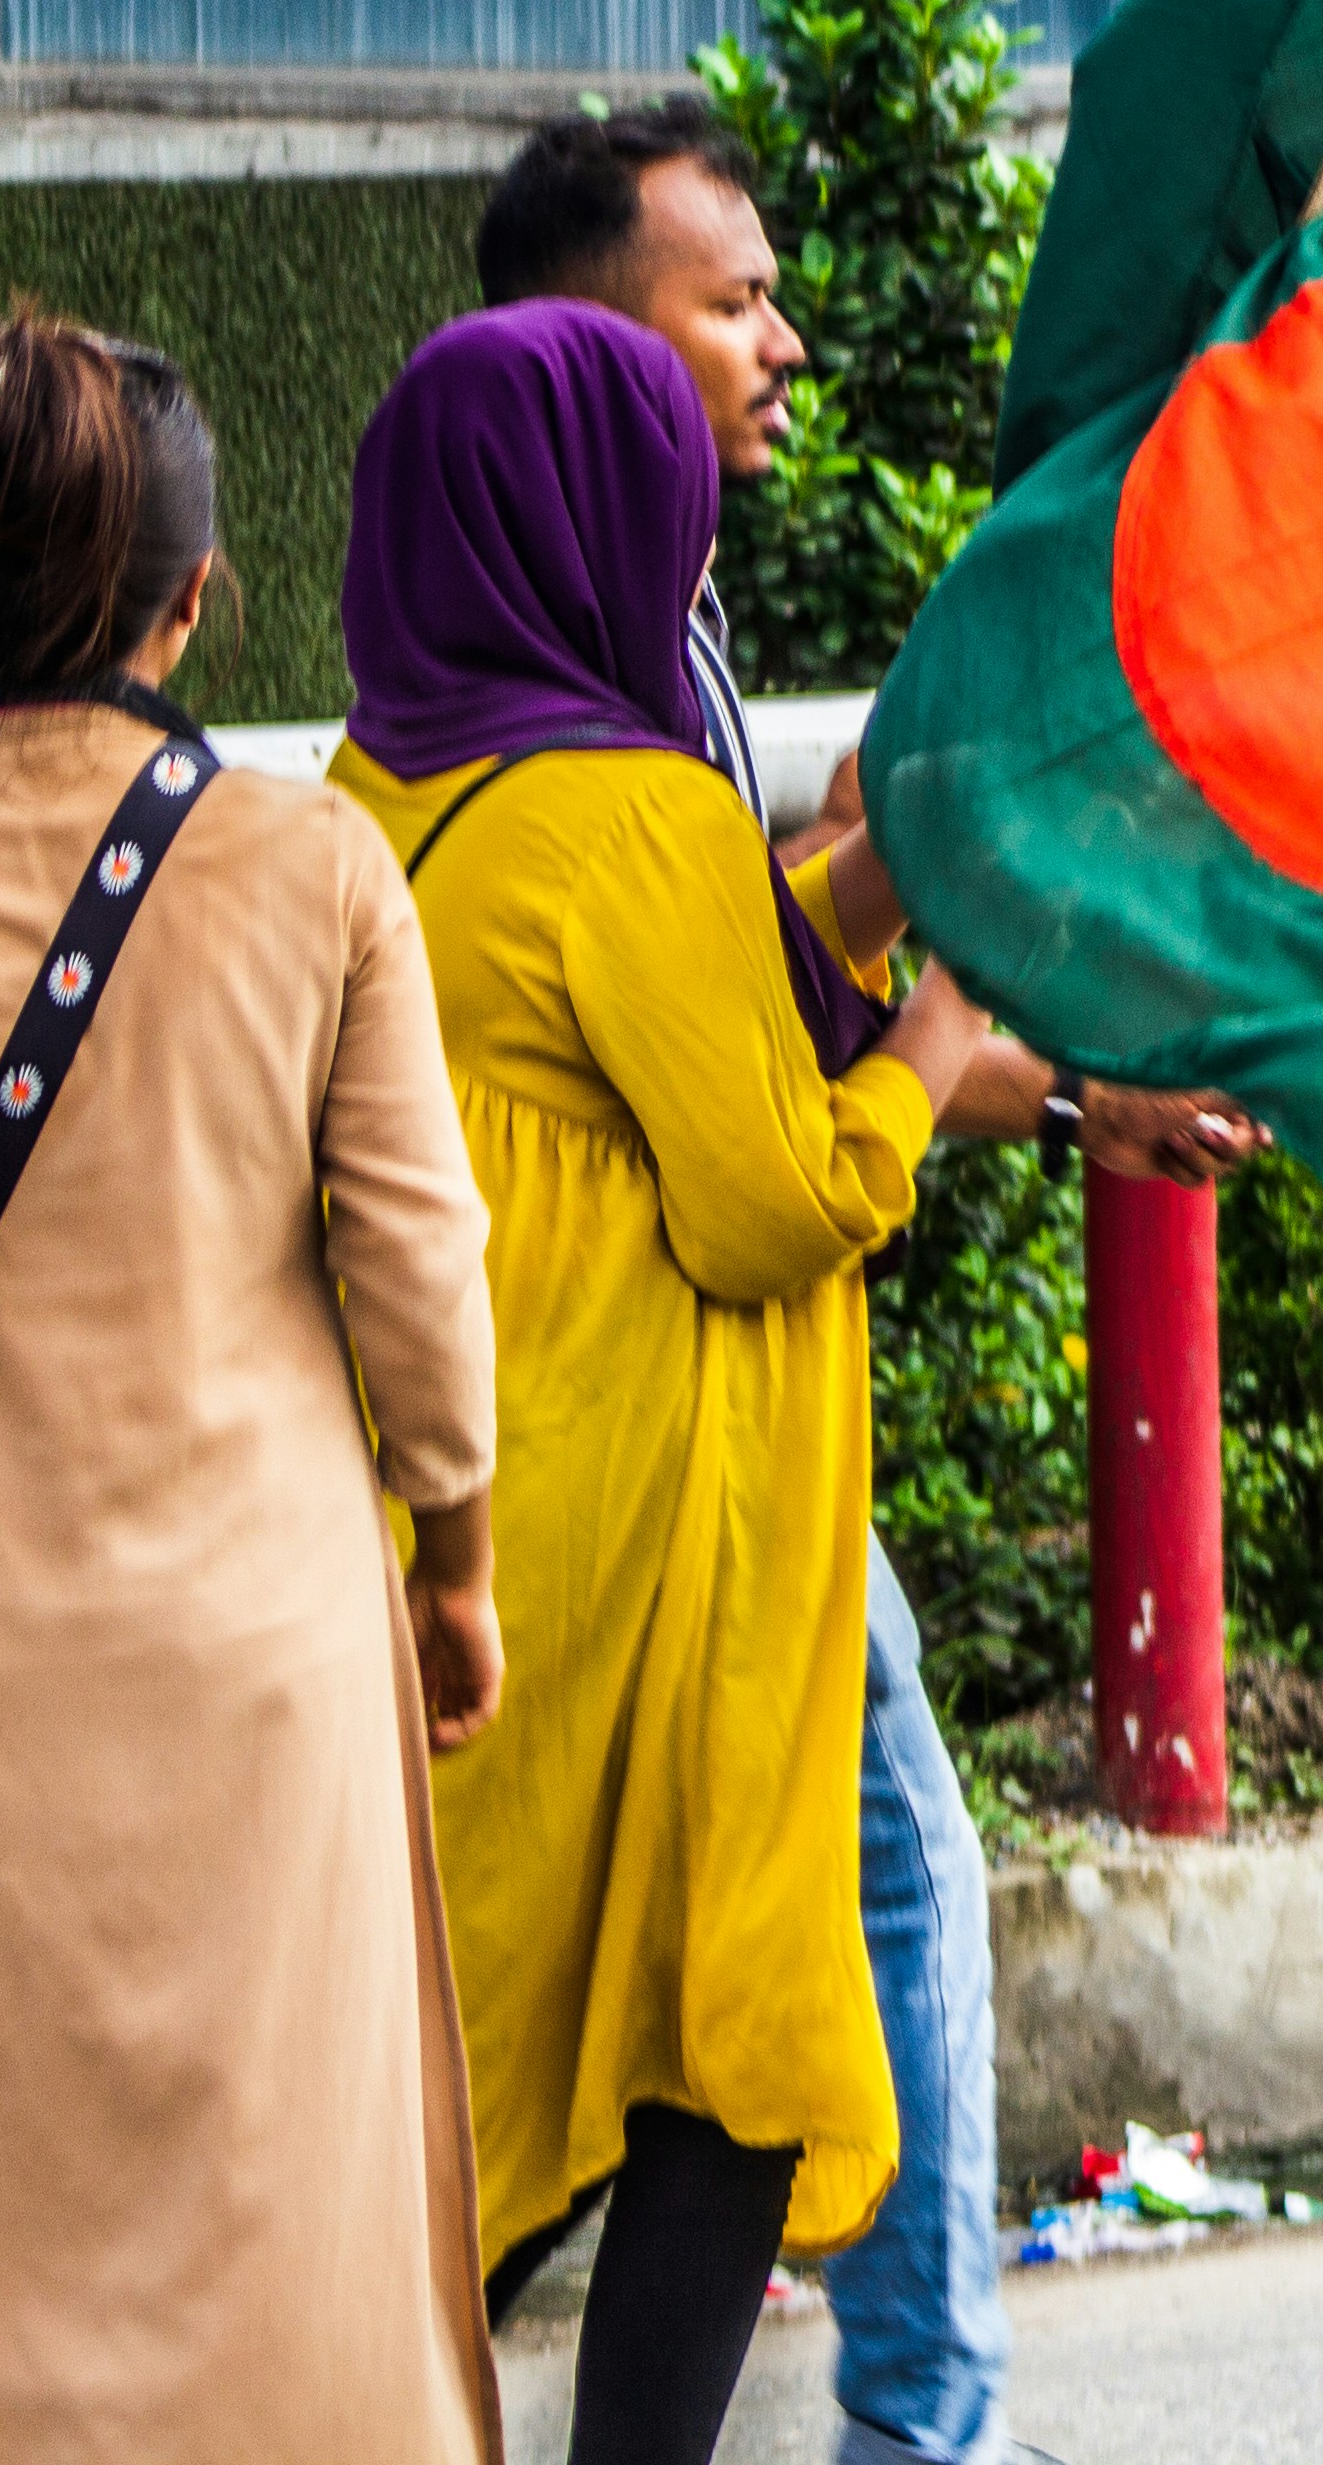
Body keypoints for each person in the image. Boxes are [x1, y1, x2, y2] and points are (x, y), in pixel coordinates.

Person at [479, 100, 1251, 2465]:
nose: (789, 345)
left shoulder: (623, 625)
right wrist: (928, 1049)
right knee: (854, 1909)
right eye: (734, 302)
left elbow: (728, 1014)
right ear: (582, 346)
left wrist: (1004, 1040)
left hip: (673, 1422)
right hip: (678, 1415)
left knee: (741, 1957)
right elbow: (757, 1174)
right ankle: (920, 2428)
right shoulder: (579, 710)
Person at [0, 315, 505, 2459]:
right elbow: (422, 1293)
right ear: (199, 593)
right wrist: (459, 1569)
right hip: (254, 1646)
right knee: (275, 2209)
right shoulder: (315, 869)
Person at [335, 302, 995, 2465]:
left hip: (472, 1499)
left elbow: (657, 1012)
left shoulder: (370, 795)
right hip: (665, 1533)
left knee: (475, 2035)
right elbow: (765, 1196)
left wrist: (858, 892)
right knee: (714, 2041)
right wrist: (926, 1063)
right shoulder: (633, 809)